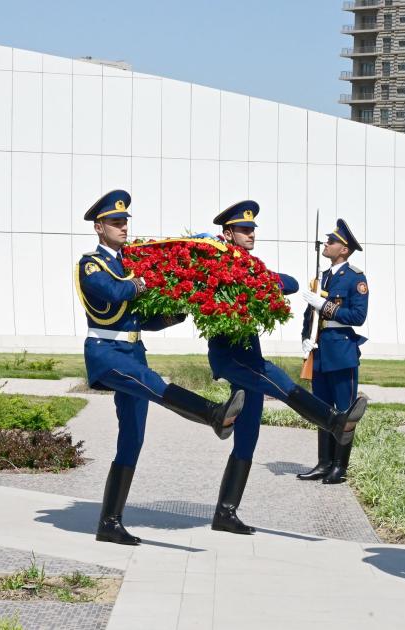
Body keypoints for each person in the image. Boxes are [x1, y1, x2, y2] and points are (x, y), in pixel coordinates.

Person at [78, 190, 246, 546]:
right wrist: (145, 280)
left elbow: (140, 317)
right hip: (106, 354)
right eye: (115, 222)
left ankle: (110, 522)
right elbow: (115, 293)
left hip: (133, 350)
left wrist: (175, 312)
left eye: (124, 221)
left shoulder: (129, 265)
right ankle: (213, 414)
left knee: (133, 439)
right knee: (154, 385)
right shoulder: (91, 264)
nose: (122, 227)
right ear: (98, 227)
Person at [206, 201, 368, 535]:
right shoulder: (217, 265)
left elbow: (291, 283)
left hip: (250, 355)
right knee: (279, 382)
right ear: (227, 233)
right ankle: (333, 421)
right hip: (233, 357)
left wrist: (258, 278)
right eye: (244, 230)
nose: (251, 234)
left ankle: (226, 512)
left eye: (253, 229)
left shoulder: (251, 267)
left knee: (248, 437)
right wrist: (254, 278)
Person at [297, 219, 369, 485]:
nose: (326, 244)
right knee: (322, 410)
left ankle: (340, 466)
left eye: (332, 241)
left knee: (343, 411)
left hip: (341, 352)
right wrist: (306, 337)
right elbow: (309, 314)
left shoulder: (355, 278)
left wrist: (325, 306)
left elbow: (358, 316)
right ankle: (323, 463)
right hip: (320, 351)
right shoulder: (322, 277)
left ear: (345, 249)